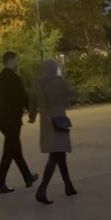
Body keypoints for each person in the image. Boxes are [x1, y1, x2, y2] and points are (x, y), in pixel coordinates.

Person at [28, 59, 77, 205]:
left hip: (46, 119)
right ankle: (42, 189)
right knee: (56, 154)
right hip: (58, 118)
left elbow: (32, 101)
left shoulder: (37, 83)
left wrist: (32, 116)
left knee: (58, 153)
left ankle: (68, 186)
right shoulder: (59, 81)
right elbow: (71, 94)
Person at [0, 51, 38, 194]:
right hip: (12, 119)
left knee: (14, 147)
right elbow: (23, 97)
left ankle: (27, 177)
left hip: (1, 119)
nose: (18, 64)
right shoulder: (14, 79)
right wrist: (31, 113)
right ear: (11, 61)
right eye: (16, 61)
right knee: (10, 150)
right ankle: (0, 183)